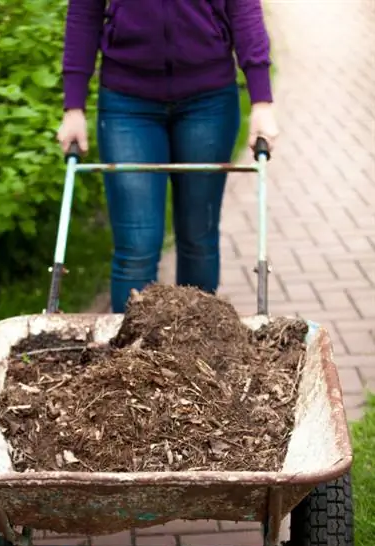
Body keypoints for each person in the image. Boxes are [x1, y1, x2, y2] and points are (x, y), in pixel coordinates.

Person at [58, 0, 279, 313]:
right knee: (136, 248)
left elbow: (244, 8)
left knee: (198, 238)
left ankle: (196, 350)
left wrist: (262, 101)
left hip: (209, 101)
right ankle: (131, 356)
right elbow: (84, 11)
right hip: (127, 102)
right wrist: (74, 106)